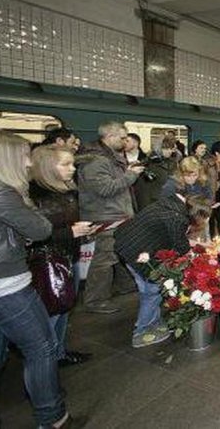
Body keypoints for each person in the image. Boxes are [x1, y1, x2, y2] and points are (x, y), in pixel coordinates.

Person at [0, 130, 72, 429]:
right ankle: (52, 417)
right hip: (6, 286)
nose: (27, 163)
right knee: (41, 348)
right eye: (24, 155)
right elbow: (39, 229)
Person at [29, 145, 98, 367]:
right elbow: (32, 235)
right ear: (48, 167)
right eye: (66, 164)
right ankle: (45, 362)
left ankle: (58, 352)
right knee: (52, 313)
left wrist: (78, 230)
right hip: (47, 262)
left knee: (64, 308)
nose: (72, 169)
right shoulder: (34, 196)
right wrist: (70, 232)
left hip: (68, 256)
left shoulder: (66, 190)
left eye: (73, 164)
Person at [114, 194, 212, 348]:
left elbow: (176, 238)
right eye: (205, 217)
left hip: (126, 242)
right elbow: (182, 247)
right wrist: (198, 251)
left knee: (150, 288)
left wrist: (202, 245)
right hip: (135, 251)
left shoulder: (170, 205)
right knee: (151, 290)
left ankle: (153, 322)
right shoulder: (177, 219)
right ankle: (142, 331)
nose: (205, 221)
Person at [77, 121, 144, 314]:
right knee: (104, 260)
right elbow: (105, 189)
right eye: (123, 138)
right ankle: (96, 299)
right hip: (106, 216)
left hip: (116, 214)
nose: (126, 142)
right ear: (110, 137)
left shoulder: (109, 157)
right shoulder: (96, 161)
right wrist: (131, 175)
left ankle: (125, 285)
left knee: (118, 253)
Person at [135, 138, 178, 211]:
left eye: (171, 148)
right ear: (158, 148)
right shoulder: (147, 164)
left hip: (165, 200)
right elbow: (143, 189)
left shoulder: (172, 163)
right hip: (151, 202)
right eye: (166, 148)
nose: (169, 151)